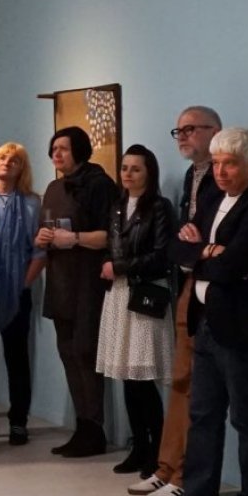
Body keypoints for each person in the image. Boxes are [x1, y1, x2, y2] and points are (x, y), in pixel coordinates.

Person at [142, 128, 248, 496]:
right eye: (218, 163)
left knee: (247, 418)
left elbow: (232, 266)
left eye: (230, 164)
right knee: (203, 414)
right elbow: (177, 249)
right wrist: (207, 250)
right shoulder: (213, 198)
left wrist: (201, 254)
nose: (221, 172)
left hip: (244, 327)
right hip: (206, 322)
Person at [134, 106, 224, 496]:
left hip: (213, 289)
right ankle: (166, 467)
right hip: (187, 282)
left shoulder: (223, 179)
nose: (183, 137)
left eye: (191, 129)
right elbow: (179, 241)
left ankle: (186, 473)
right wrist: (191, 247)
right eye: (179, 131)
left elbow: (210, 241)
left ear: (215, 131)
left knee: (200, 389)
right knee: (180, 379)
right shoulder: (191, 176)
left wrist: (195, 247)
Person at [96, 145, 175, 477]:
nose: (128, 174)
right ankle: (139, 446)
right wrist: (111, 265)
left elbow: (162, 254)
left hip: (145, 292)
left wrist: (120, 266)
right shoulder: (116, 206)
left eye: (136, 169)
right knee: (128, 377)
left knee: (143, 377)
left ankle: (157, 451)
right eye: (125, 168)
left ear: (149, 173)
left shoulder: (159, 207)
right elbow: (112, 246)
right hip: (118, 293)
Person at [38, 127, 118, 457]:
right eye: (53, 149)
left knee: (85, 353)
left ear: (80, 150)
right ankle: (82, 426)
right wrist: (43, 238)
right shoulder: (53, 188)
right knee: (68, 353)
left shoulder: (100, 184)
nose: (57, 154)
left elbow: (112, 235)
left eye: (64, 148)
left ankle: (94, 428)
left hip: (88, 282)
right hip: (60, 281)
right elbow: (46, 228)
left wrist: (73, 239)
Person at [0, 142, 43, 446]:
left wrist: (23, 284)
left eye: (14, 160)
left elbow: (39, 251)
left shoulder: (32, 203)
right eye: (2, 157)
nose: (6, 163)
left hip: (17, 292)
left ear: (21, 168)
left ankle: (18, 422)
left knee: (17, 359)